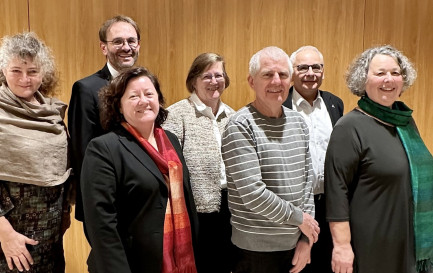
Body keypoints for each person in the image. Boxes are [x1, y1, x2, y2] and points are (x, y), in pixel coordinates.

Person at [325, 45, 433, 273]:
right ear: (363, 80)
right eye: (380, 73)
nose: (389, 79)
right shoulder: (349, 127)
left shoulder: (405, 122)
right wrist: (342, 246)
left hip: (407, 239)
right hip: (372, 243)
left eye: (395, 73)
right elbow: (336, 192)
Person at [80, 67, 199, 273]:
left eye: (149, 94)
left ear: (158, 100)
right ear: (118, 105)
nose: (143, 101)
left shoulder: (170, 140)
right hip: (131, 263)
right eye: (133, 96)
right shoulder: (104, 148)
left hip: (179, 259)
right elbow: (101, 224)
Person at [221, 46, 320, 273]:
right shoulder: (240, 126)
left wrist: (307, 239)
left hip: (297, 244)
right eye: (267, 74)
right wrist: (300, 220)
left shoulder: (298, 123)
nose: (277, 81)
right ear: (251, 81)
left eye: (283, 75)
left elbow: (307, 183)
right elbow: (253, 194)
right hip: (255, 252)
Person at [0, 32, 72, 272]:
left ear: (44, 73)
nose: (25, 79)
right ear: (3, 71)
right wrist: (5, 233)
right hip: (9, 238)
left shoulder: (51, 112)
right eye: (16, 71)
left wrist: (64, 212)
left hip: (50, 237)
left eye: (32, 71)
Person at [162, 52, 235, 273]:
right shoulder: (175, 114)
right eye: (207, 76)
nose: (215, 82)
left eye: (219, 75)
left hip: (230, 208)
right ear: (193, 80)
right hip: (195, 211)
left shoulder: (232, 115)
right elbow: (169, 166)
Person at [68, 15, 141, 223]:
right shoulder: (86, 89)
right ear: (104, 48)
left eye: (131, 41)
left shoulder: (145, 88)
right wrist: (97, 205)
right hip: (106, 204)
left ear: (138, 45)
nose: (126, 47)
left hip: (140, 200)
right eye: (117, 41)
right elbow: (83, 153)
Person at [283, 45, 343, 273]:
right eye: (303, 67)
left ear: (323, 72)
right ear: (292, 72)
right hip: (295, 206)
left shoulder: (335, 104)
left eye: (316, 67)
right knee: (297, 266)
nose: (310, 73)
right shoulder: (280, 105)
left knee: (326, 264)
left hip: (329, 203)